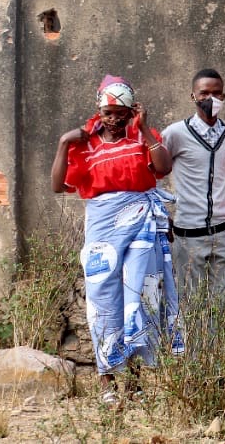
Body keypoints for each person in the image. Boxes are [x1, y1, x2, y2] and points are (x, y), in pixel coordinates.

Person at [50, 75, 182, 406]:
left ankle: (134, 381)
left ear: (130, 111)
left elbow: (163, 167)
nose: (115, 118)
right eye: (109, 112)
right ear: (100, 110)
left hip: (140, 228)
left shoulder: (142, 137)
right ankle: (107, 379)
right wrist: (64, 143)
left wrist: (145, 126)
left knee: (138, 297)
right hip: (103, 233)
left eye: (121, 111)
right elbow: (57, 187)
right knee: (103, 302)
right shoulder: (85, 143)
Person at [161, 68, 225, 334]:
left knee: (218, 304)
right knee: (191, 304)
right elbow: (157, 170)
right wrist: (164, 212)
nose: (210, 98)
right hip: (188, 233)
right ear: (193, 95)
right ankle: (194, 368)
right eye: (204, 93)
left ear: (224, 96)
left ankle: (214, 368)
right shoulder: (175, 133)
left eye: (216, 93)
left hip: (222, 230)